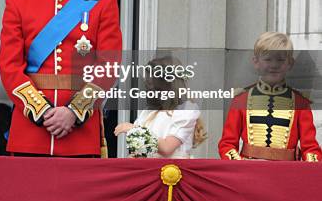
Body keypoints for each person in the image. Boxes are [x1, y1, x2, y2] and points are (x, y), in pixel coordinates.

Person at [0, 0, 122, 156]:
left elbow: (108, 65)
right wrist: (42, 111)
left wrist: (74, 112)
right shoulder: (18, 2)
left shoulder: (103, 2)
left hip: (80, 132)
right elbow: (9, 66)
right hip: (31, 131)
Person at [218, 32, 322, 161]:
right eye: (268, 59)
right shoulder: (241, 100)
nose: (274, 65)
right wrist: (239, 167)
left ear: (290, 63)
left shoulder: (300, 103)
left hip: (285, 174)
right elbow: (227, 144)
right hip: (249, 173)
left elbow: (310, 148)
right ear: (256, 62)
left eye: (280, 60)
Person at [114, 56, 207, 158]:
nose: (148, 89)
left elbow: (167, 149)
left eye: (152, 84)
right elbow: (140, 151)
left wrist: (135, 129)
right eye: (147, 84)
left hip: (173, 171)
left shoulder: (185, 110)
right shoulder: (148, 113)